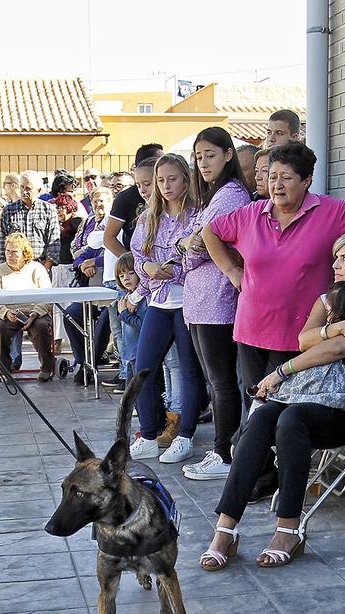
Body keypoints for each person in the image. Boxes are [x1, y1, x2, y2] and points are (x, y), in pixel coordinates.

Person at [203, 142, 345, 500]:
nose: (276, 184)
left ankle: (288, 479)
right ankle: (261, 478)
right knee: (257, 404)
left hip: (301, 338)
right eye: (270, 176)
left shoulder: (330, 212)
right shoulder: (251, 214)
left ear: (307, 180)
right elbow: (210, 232)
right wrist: (233, 270)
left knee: (287, 412)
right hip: (252, 328)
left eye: (286, 178)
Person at [201, 237, 345, 570]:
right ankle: (225, 530)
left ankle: (288, 530)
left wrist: (283, 369)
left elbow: (338, 350)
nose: (334, 265)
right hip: (303, 397)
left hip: (344, 410)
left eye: (344, 258)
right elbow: (303, 339)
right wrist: (342, 327)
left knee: (291, 420)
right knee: (262, 420)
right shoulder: (327, 299)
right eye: (334, 258)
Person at [179, 127, 252, 482]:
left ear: (227, 155)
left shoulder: (231, 195)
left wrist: (191, 246)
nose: (203, 163)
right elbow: (187, 243)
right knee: (214, 381)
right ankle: (223, 448)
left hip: (219, 302)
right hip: (200, 302)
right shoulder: (212, 196)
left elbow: (201, 246)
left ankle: (224, 452)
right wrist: (189, 245)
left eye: (210, 155)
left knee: (222, 382)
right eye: (198, 156)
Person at [127, 153, 206, 466]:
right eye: (161, 180)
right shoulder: (149, 217)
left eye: (172, 178)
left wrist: (172, 269)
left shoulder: (198, 213)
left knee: (189, 370)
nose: (165, 185)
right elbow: (136, 253)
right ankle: (148, 435)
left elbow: (202, 254)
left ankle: (185, 436)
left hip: (189, 301)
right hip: (159, 301)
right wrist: (148, 266)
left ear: (185, 179)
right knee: (143, 367)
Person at [103, 146, 163, 387]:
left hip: (159, 284)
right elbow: (109, 237)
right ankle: (130, 382)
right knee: (131, 335)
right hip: (135, 280)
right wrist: (131, 264)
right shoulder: (126, 198)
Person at [63, 186, 114, 381]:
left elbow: (118, 252)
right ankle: (82, 361)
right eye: (95, 201)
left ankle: (91, 363)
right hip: (89, 285)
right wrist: (84, 263)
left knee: (104, 321)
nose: (98, 204)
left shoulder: (114, 224)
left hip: (110, 287)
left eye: (102, 200)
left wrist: (95, 261)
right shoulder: (88, 223)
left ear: (111, 202)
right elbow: (77, 248)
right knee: (71, 315)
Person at [0, 232, 56, 381]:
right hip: (10, 313)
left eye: (14, 252)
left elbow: (47, 296)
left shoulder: (37, 268)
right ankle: (4, 369)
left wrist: (34, 314)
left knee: (41, 327)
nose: (10, 255)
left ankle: (47, 366)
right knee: (0, 328)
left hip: (35, 312)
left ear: (24, 253)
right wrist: (6, 313)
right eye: (7, 251)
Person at [0, 171, 60, 272]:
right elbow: (1, 239)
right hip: (14, 268)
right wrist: (4, 265)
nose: (24, 191)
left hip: (40, 266)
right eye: (22, 187)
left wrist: (46, 268)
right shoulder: (8, 210)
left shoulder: (49, 210)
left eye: (28, 188)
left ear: (38, 190)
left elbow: (54, 242)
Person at [112, 252, 147, 391]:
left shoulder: (142, 298)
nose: (126, 278)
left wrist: (125, 314)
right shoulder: (126, 297)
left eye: (130, 273)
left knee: (139, 389)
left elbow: (144, 325)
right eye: (121, 276)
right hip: (130, 353)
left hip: (140, 352)